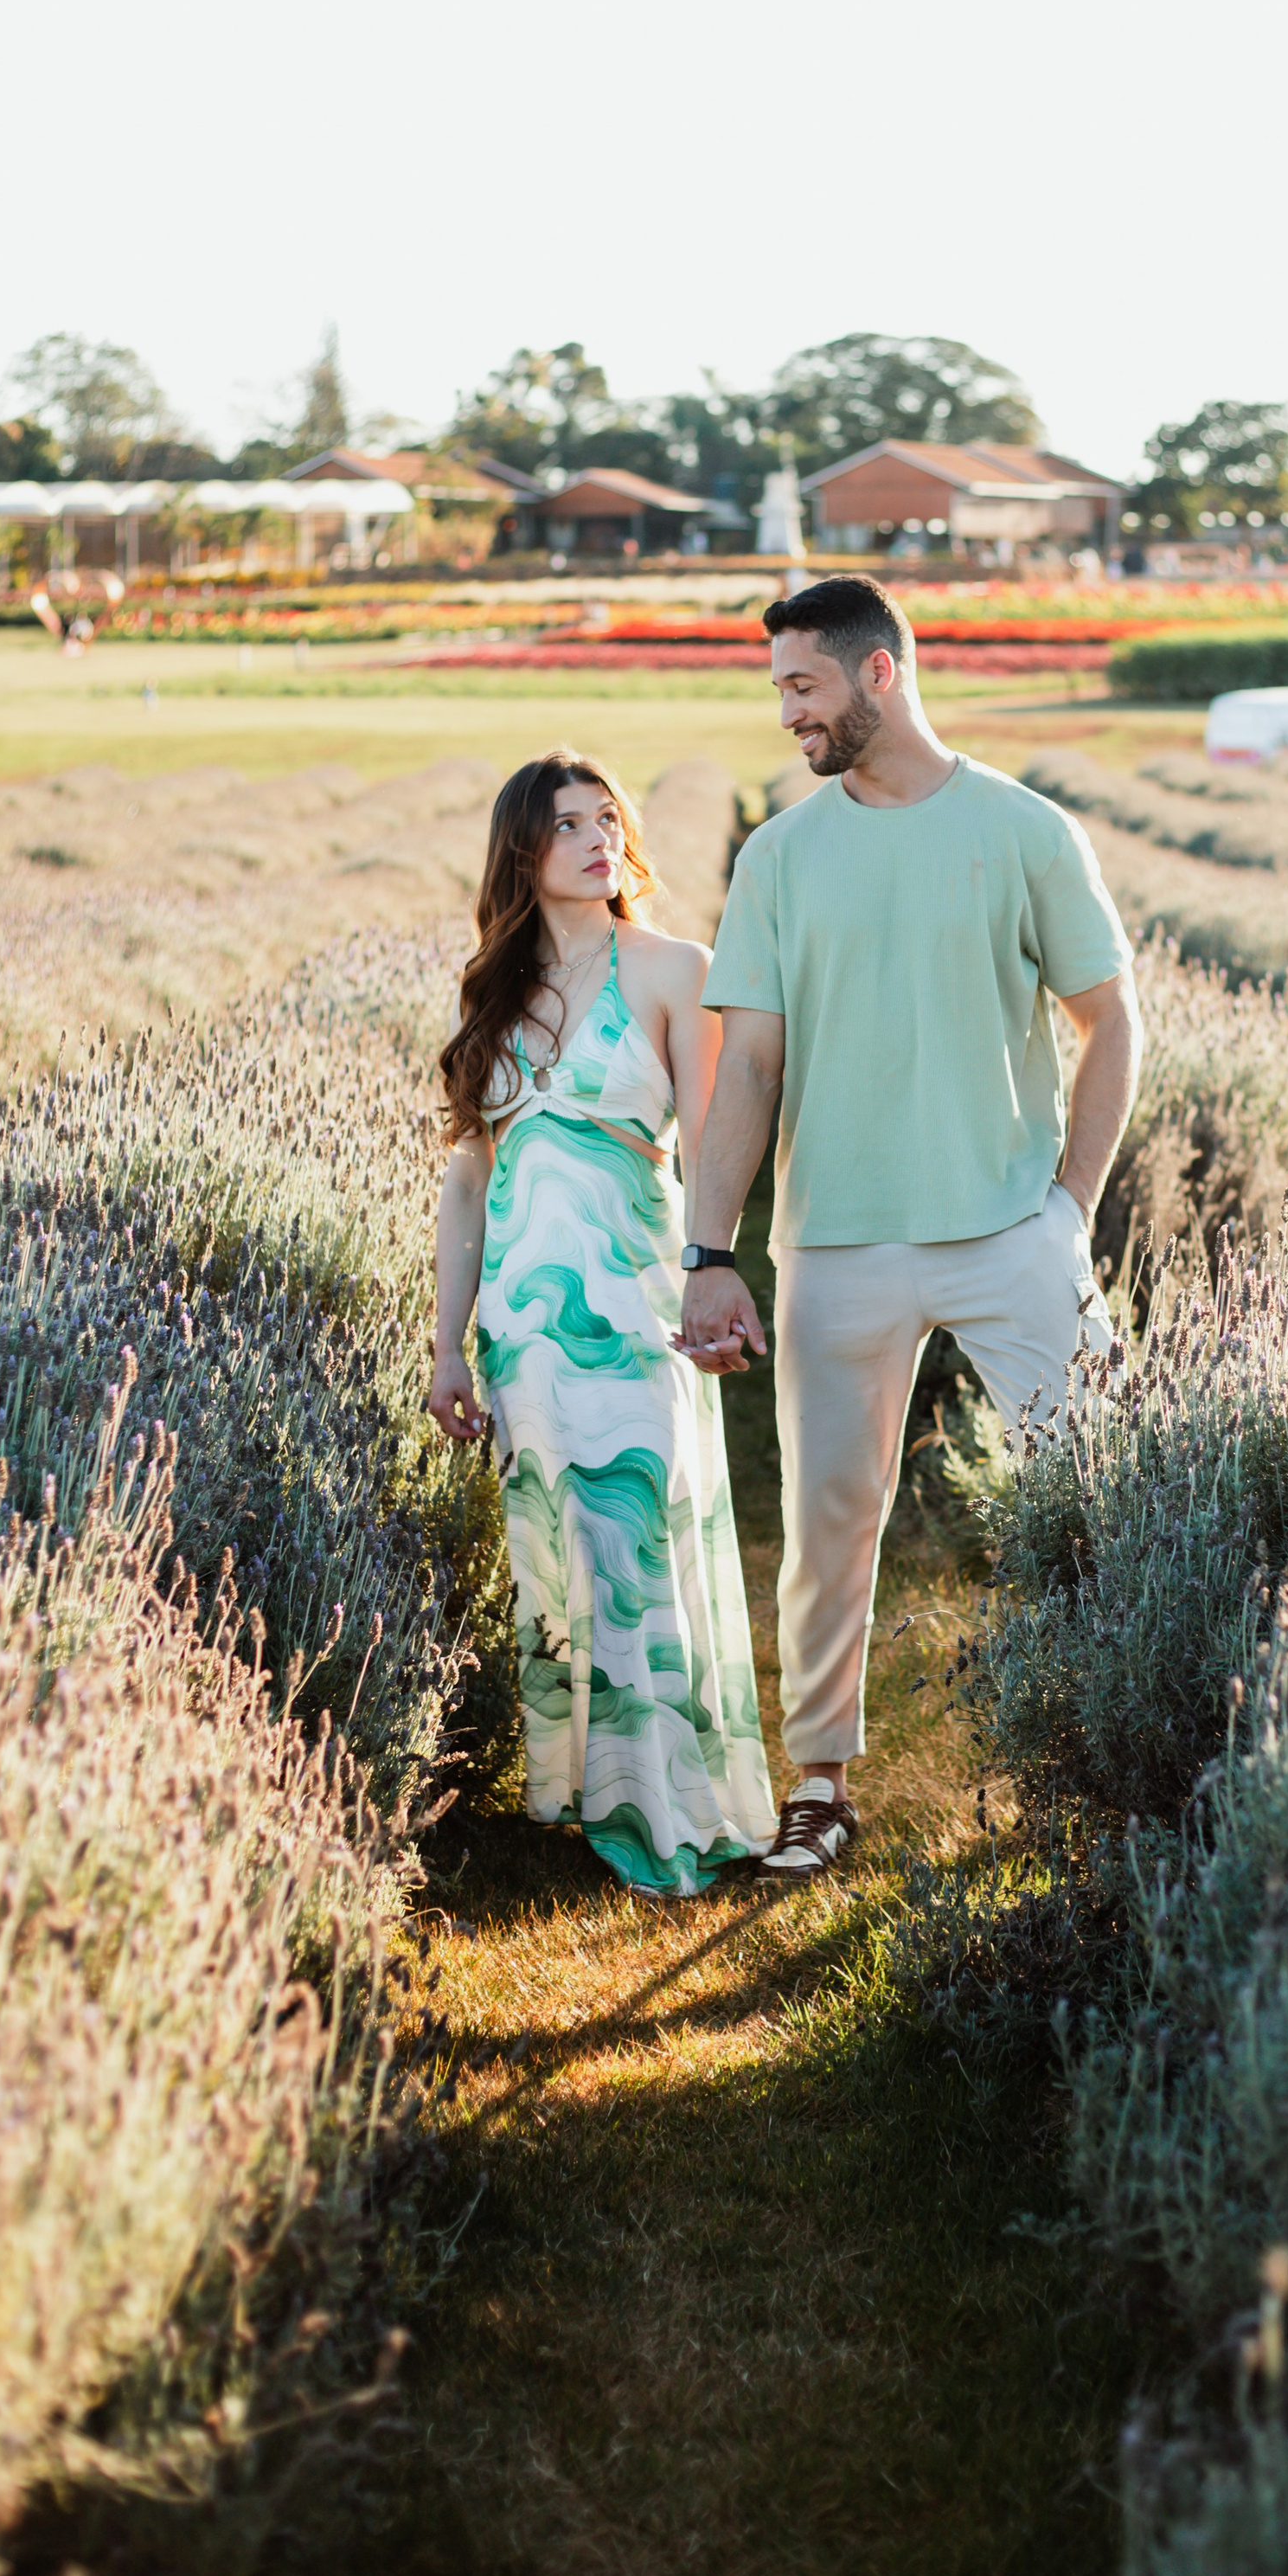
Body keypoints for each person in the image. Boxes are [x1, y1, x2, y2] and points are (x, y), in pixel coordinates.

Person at [681, 576, 1139, 1879]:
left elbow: (1114, 1022)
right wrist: (709, 1253)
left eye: (804, 685)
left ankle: (1123, 1754)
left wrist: (1069, 1210)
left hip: (1011, 1235)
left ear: (879, 673)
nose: (787, 712)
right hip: (836, 1243)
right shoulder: (779, 857)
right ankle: (819, 1789)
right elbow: (748, 1066)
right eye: (779, 688)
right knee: (828, 1524)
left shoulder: (1026, 830)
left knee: (1105, 1492)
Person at [430, 752, 776, 1898]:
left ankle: (667, 1812)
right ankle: (587, 1791)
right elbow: (467, 1185)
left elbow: (714, 1142)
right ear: (522, 852)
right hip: (520, 1328)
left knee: (635, 1543)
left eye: (608, 819)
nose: (598, 839)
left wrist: (710, 1272)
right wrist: (447, 1345)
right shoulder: (492, 992)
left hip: (631, 1305)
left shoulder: (675, 968)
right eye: (568, 824)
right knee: (562, 1549)